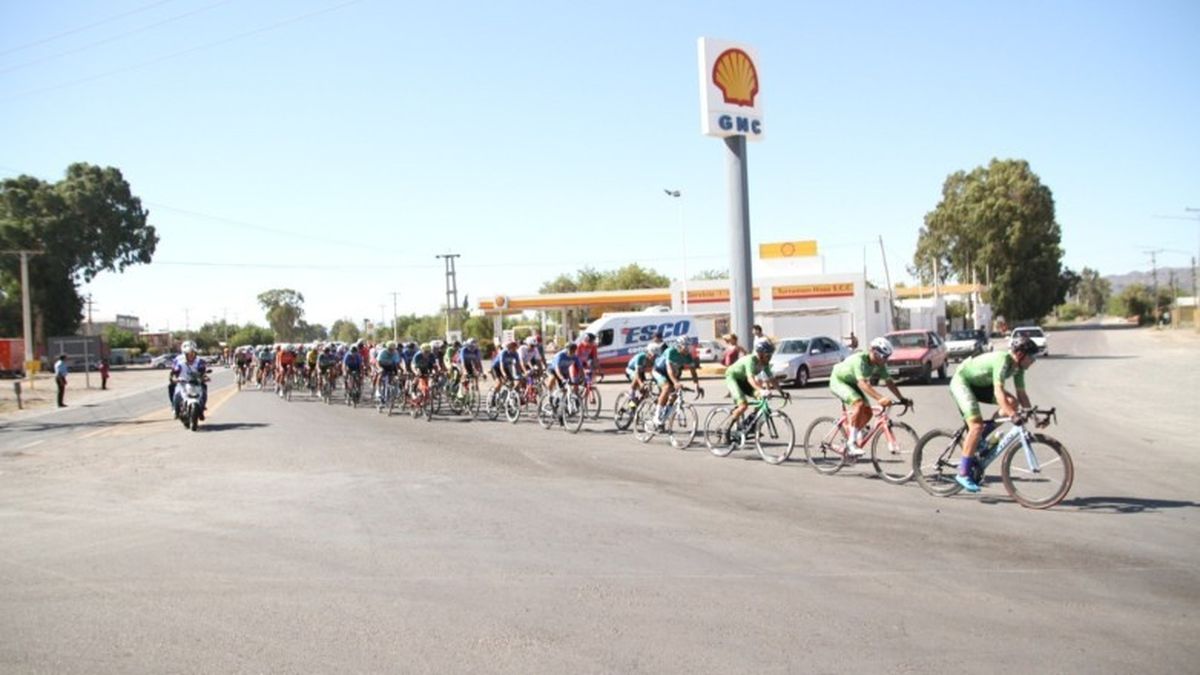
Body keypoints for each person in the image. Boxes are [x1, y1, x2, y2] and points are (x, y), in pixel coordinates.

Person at [949, 336, 1041, 492]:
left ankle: (981, 439)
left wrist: (1034, 418)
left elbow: (1022, 395)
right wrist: (1013, 415)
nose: (1033, 361)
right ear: (1020, 355)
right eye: (1031, 357)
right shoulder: (1003, 359)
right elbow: (999, 393)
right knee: (976, 426)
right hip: (962, 382)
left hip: (979, 385)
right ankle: (963, 473)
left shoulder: (1018, 368)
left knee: (1012, 403)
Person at [828, 337, 908, 457]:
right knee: (859, 404)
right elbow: (862, 383)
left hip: (850, 382)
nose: (886, 360)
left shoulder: (879, 364)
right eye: (884, 357)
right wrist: (880, 398)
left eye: (887, 357)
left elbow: (889, 382)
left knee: (868, 412)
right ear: (875, 353)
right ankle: (851, 444)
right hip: (838, 381)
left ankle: (853, 435)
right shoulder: (859, 360)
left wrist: (902, 398)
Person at [723, 338, 779, 430]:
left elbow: (772, 379)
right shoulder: (751, 360)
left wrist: (783, 393)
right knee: (743, 406)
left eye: (770, 355)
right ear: (760, 354)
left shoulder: (764, 364)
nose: (770, 358)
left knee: (761, 400)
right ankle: (726, 430)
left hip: (743, 379)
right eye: (768, 355)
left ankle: (750, 424)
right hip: (733, 377)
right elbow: (751, 379)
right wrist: (761, 390)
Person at [652, 336, 703, 426]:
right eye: (686, 346)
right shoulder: (671, 351)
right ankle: (656, 416)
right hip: (659, 371)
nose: (688, 349)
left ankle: (664, 417)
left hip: (672, 374)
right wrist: (675, 382)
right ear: (679, 346)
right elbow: (669, 370)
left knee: (675, 394)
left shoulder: (688, 356)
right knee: (667, 387)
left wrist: (697, 385)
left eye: (689, 346)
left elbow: (693, 372)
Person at [171, 341, 209, 419]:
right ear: (184, 353)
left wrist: (205, 377)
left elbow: (203, 372)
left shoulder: (199, 361)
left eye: (193, 353)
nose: (191, 355)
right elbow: (173, 372)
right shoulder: (178, 360)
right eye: (189, 354)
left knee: (204, 391)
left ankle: (201, 408)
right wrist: (175, 379)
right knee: (177, 394)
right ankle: (175, 410)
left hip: (196, 382)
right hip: (182, 382)